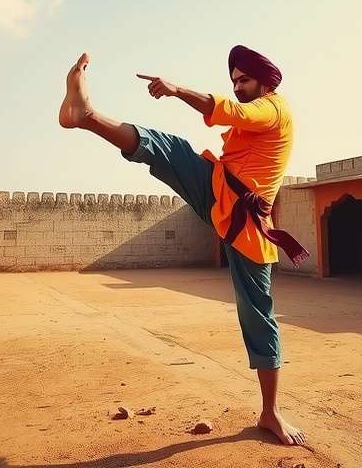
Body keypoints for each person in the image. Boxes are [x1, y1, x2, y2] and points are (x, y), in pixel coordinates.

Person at [58, 45, 309, 445]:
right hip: (217, 187)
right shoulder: (256, 112)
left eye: (244, 80)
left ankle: (270, 413)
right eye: (234, 81)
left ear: (264, 81)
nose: (239, 87)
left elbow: (233, 111)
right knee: (168, 147)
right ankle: (85, 116)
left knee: (258, 315)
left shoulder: (274, 108)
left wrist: (176, 90)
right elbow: (230, 116)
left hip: (246, 226)